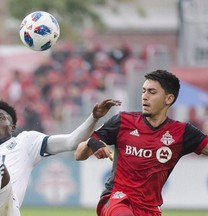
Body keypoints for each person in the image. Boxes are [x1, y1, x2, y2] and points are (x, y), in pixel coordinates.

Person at [0, 98, 121, 216]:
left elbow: (70, 142)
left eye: (0, 118)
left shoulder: (26, 142)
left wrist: (94, 117)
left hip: (7, 209)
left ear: (13, 127)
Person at [74, 70, 208, 216]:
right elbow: (79, 154)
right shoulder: (123, 121)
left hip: (149, 209)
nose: (145, 96)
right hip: (117, 200)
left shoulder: (182, 132)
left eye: (152, 92)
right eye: (143, 91)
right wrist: (93, 144)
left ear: (168, 99)